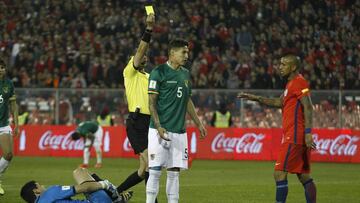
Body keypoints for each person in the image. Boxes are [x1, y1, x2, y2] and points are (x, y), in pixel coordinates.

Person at [238, 55, 317, 203]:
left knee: (279, 173)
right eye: (280, 64)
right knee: (304, 176)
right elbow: (279, 102)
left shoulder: (299, 82)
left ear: (293, 67)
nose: (279, 67)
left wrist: (308, 133)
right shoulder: (291, 84)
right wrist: (255, 98)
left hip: (295, 135)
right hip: (296, 135)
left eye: (283, 64)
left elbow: (308, 106)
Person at [146, 38, 207, 203]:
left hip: (179, 131)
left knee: (174, 173)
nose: (186, 55)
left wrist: (198, 123)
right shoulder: (158, 72)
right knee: (155, 171)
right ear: (172, 53)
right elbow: (151, 103)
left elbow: (187, 100)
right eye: (183, 52)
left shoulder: (185, 73)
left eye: (187, 52)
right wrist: (158, 126)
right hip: (159, 131)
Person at [117, 13, 157, 201]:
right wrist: (148, 29)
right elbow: (140, 50)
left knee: (143, 170)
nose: (143, 56)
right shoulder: (129, 72)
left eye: (145, 56)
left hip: (150, 123)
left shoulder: (149, 78)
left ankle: (113, 194)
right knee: (150, 163)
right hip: (137, 121)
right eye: (140, 55)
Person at [20, 167, 133, 203]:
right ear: (36, 191)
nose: (43, 185)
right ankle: (115, 197)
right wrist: (104, 184)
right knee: (79, 172)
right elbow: (84, 188)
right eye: (40, 185)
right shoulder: (51, 192)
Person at [0, 58, 19, 195]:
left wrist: (17, 124)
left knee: (8, 154)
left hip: (3, 124)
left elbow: (13, 105)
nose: (1, 69)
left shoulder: (9, 84)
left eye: (2, 67)